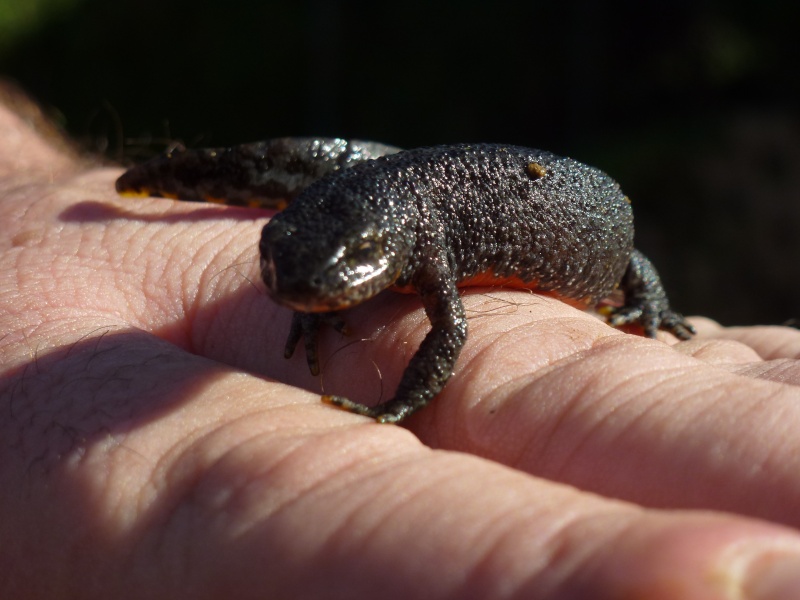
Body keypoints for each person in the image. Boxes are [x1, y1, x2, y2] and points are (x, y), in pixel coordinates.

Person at [1, 90, 799, 599]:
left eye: (345, 275)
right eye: (278, 266)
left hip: (580, 217)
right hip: (406, 187)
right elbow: (316, 246)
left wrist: (403, 403)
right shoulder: (365, 221)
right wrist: (310, 302)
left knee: (633, 275)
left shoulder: (420, 236)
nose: (300, 286)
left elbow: (453, 326)